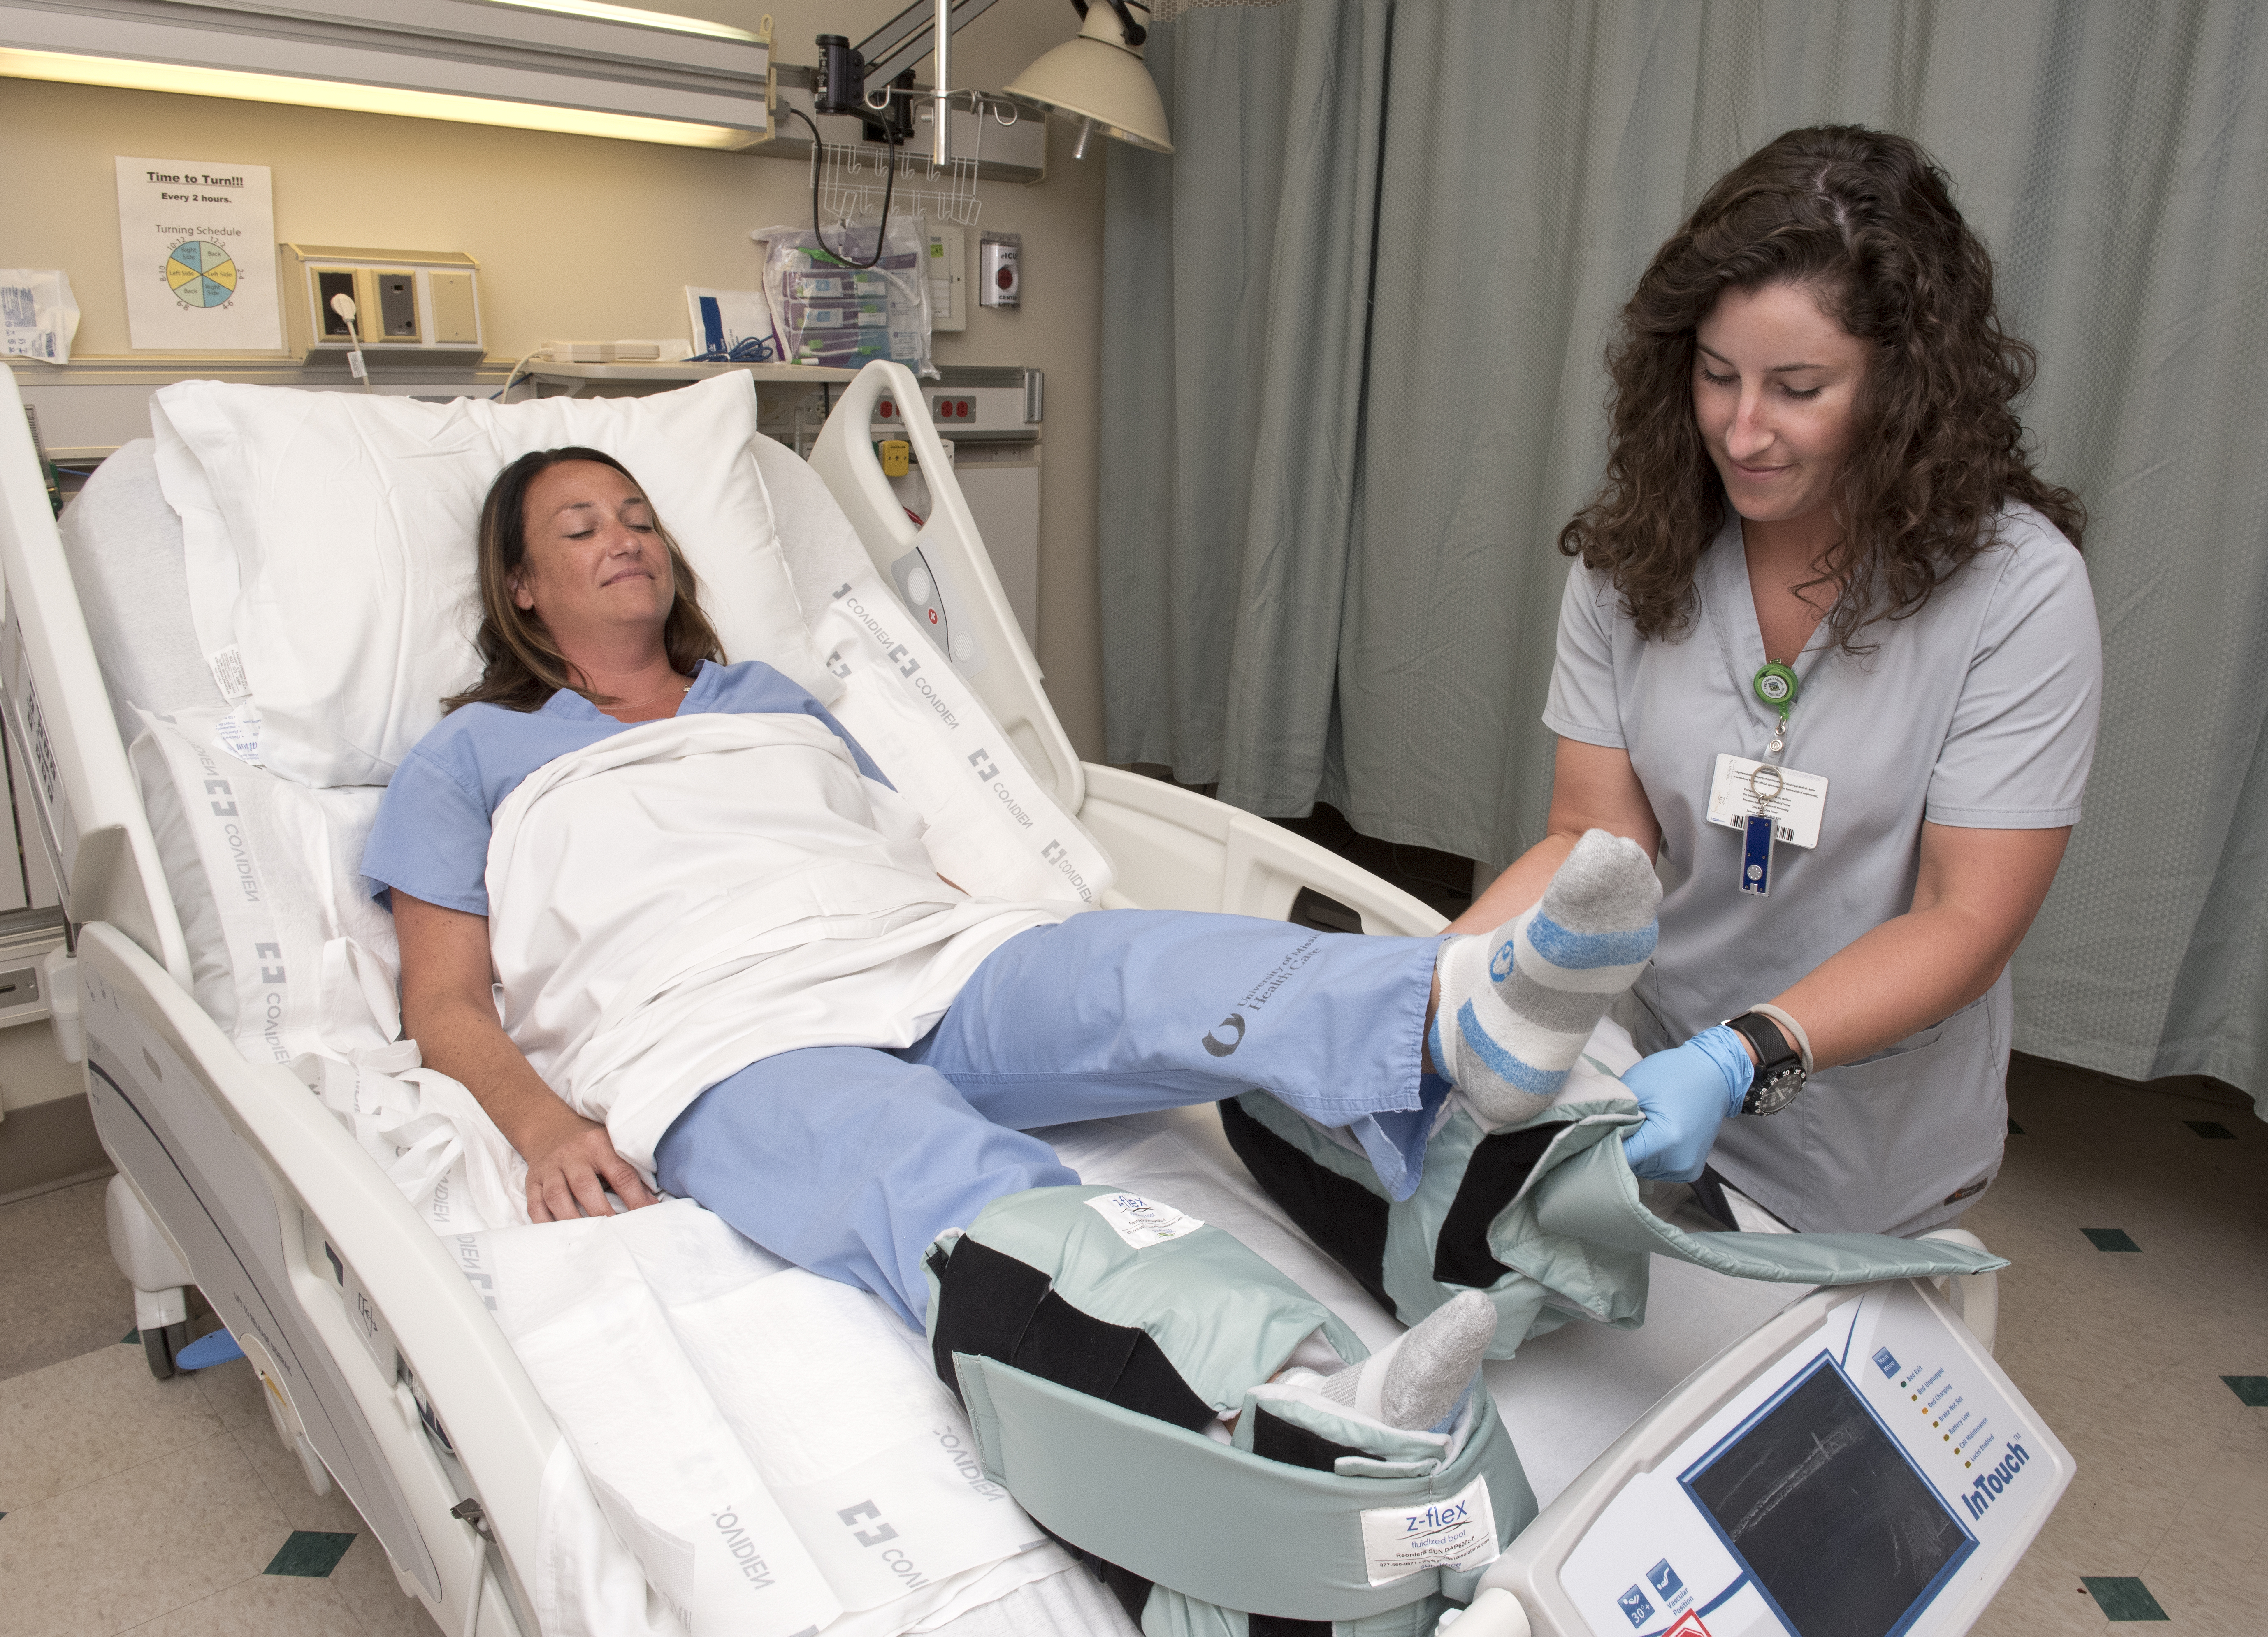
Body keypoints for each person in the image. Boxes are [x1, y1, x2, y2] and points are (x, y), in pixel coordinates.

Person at [361, 445, 1674, 1434]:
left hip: (917, 953)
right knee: (934, 1169)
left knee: (1138, 966)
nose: (626, 538)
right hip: (723, 1035)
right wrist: (542, 1125)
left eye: (641, 515)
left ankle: (1453, 1014)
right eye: (581, 528)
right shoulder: (471, 753)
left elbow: (890, 848)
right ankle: (1283, 1389)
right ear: (522, 588)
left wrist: (996, 935)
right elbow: (445, 998)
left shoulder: (771, 701)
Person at [1449, 126, 2101, 1238]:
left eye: (1796, 388)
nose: (1740, 431)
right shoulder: (1636, 553)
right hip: (1644, 1073)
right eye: (1715, 375)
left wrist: (1740, 1055)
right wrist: (1446, 979)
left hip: (1865, 1132)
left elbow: (1964, 914)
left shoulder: (2015, 589)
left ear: (1903, 388)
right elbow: (1592, 843)